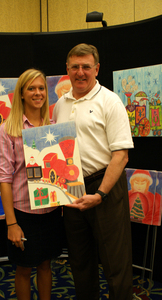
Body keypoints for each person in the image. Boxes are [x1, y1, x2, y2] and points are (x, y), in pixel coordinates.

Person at [52, 43, 134, 300]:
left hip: (105, 187)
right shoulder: (59, 105)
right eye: (74, 67)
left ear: (97, 69)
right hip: (73, 188)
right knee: (80, 259)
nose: (80, 72)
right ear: (67, 69)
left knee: (115, 261)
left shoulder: (110, 101)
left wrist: (100, 194)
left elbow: (121, 155)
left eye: (86, 66)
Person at [0, 69, 63, 300]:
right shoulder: (9, 129)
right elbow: (4, 178)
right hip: (23, 212)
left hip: (51, 210)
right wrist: (11, 223)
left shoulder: (54, 126)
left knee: (46, 265)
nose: (37, 93)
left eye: (41, 88)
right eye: (31, 88)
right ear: (22, 94)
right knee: (24, 269)